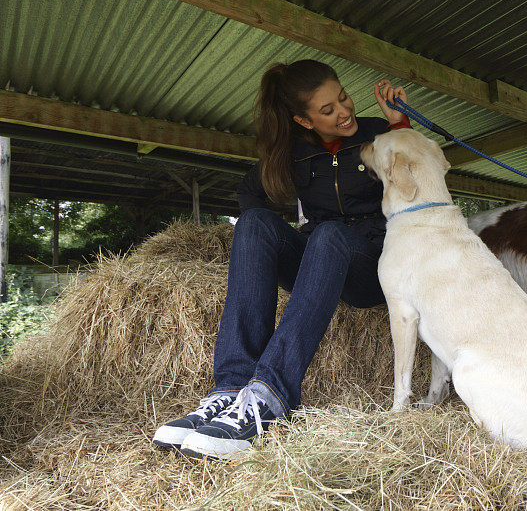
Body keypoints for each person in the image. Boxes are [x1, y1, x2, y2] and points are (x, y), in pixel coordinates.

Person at [152, 59, 411, 460]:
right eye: (327, 110)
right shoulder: (294, 154)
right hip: (318, 261)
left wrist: (399, 125)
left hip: (370, 263)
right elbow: (250, 192)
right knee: (254, 222)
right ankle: (231, 389)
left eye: (343, 98)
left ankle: (270, 395)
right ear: (303, 121)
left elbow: (421, 177)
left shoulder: (380, 132)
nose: (343, 112)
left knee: (328, 234)